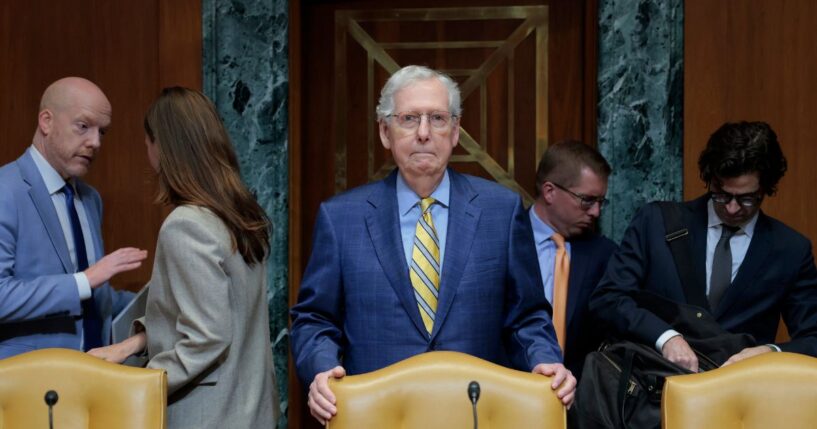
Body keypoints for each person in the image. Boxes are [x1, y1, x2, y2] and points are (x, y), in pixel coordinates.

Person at [290, 65, 576, 425]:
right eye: (409, 119)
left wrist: (543, 359)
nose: (424, 133)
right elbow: (315, 318)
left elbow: (527, 316)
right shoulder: (341, 218)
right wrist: (321, 368)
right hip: (377, 416)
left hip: (477, 413)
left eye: (438, 119)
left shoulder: (500, 211)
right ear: (385, 132)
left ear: (455, 131)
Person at [88, 87, 279, 427]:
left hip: (207, 415)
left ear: (161, 146)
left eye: (148, 141)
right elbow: (218, 311)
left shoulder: (185, 226)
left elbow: (207, 336)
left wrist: (138, 385)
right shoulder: (240, 215)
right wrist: (135, 342)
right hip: (251, 410)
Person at [590, 121, 817, 372]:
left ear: (766, 188)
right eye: (721, 194)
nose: (731, 208)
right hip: (653, 390)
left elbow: (813, 338)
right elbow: (608, 299)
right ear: (709, 179)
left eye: (747, 199)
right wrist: (665, 337)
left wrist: (769, 352)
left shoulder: (790, 250)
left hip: (740, 398)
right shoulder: (656, 223)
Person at [0, 77, 147, 358]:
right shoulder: (5, 191)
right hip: (24, 386)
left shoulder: (90, 199)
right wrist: (84, 281)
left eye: (102, 132)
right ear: (46, 121)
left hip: (92, 380)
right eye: (83, 126)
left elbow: (91, 296)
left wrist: (156, 300)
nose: (95, 142)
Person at [529, 141, 617, 378]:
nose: (596, 212)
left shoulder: (604, 255)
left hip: (576, 398)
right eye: (587, 200)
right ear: (550, 191)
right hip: (505, 393)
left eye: (601, 202)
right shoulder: (505, 240)